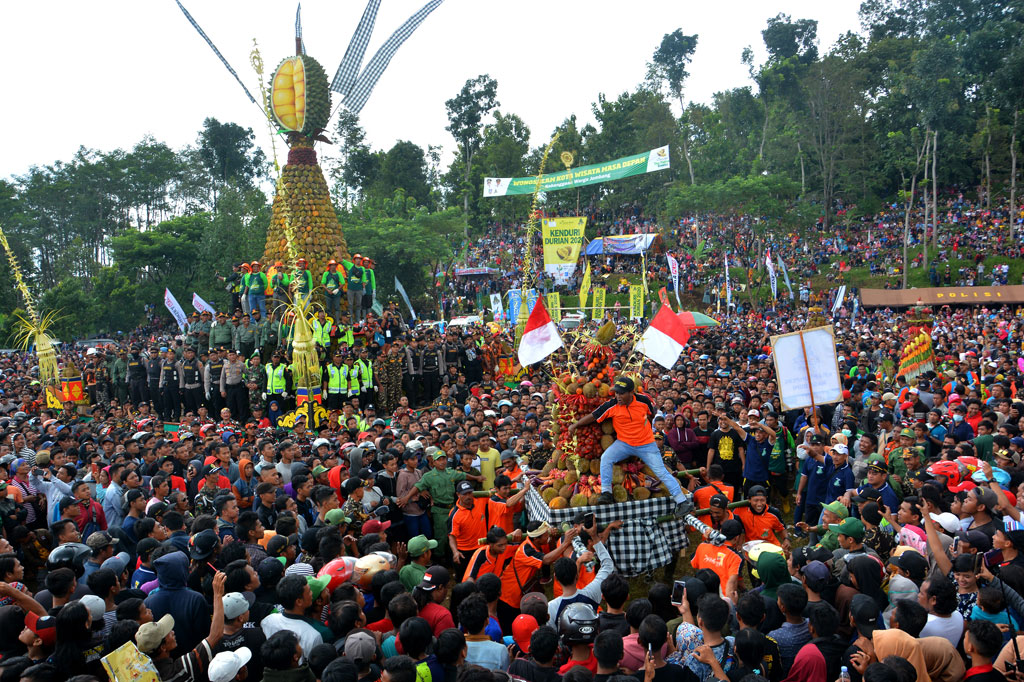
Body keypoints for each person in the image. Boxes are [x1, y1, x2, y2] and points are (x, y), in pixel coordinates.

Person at [569, 376, 690, 518]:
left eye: (621, 393)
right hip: (624, 444)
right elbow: (594, 415)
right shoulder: (612, 405)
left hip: (646, 444)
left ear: (631, 392)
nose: (618, 396)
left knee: (661, 472)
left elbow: (651, 414)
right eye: (616, 393)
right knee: (606, 458)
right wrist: (576, 425)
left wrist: (645, 428)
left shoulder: (643, 401)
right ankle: (606, 493)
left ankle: (682, 502)